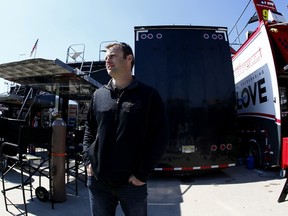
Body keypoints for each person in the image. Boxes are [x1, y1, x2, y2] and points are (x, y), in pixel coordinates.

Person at [82, 42, 168, 216]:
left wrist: (142, 174)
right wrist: (88, 161)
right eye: (106, 57)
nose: (107, 60)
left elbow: (159, 138)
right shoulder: (99, 95)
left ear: (129, 59)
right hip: (99, 183)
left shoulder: (148, 95)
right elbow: (89, 129)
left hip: (132, 184)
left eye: (112, 56)